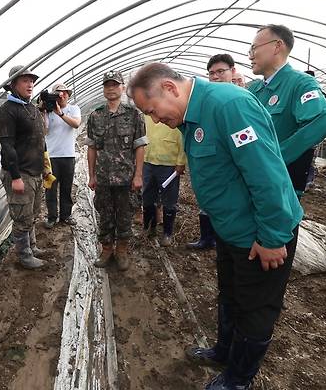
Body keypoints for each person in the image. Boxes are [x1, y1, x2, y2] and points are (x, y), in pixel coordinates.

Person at [128, 63, 303, 390]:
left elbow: (267, 175)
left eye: (152, 111)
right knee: (231, 294)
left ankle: (238, 378)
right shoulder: (192, 116)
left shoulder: (227, 105)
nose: (153, 120)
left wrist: (272, 237)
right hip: (231, 231)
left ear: (169, 88)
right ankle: (224, 351)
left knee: (255, 307)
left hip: (258, 236)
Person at [247, 24, 326, 196]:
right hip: (250, 179)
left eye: (254, 48)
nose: (250, 56)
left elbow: (323, 121)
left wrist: (277, 157)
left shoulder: (300, 84)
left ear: (277, 46)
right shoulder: (254, 89)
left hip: (278, 186)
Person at [86, 70, 148, 271]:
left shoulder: (134, 115)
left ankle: (121, 251)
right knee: (104, 214)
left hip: (126, 177)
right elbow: (92, 148)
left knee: (125, 215)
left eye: (115, 84)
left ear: (123, 87)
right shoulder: (96, 116)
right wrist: (92, 175)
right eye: (107, 85)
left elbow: (139, 146)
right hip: (104, 178)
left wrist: (138, 175)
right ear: (104, 89)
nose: (110, 88)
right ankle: (106, 249)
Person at [0, 65, 54, 269]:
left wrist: (46, 166)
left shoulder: (31, 109)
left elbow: (40, 140)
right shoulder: (7, 112)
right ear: (12, 85)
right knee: (22, 216)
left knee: (33, 213)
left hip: (35, 172)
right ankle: (24, 255)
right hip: (20, 173)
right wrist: (16, 177)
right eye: (25, 81)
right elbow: (8, 146)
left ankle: (33, 246)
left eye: (32, 81)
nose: (30, 84)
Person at [187, 53, 238, 251]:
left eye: (220, 72)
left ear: (232, 72)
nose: (215, 77)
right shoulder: (206, 103)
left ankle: (223, 239)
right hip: (212, 169)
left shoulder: (238, 101)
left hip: (232, 171)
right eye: (211, 73)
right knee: (207, 204)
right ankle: (207, 239)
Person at [141, 115, 186, 247]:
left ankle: (167, 233)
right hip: (148, 161)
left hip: (169, 164)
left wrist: (181, 161)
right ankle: (149, 227)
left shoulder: (174, 113)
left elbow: (183, 138)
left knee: (169, 200)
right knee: (148, 197)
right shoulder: (147, 114)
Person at [43, 83, 81, 228]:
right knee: (50, 189)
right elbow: (44, 129)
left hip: (68, 155)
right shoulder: (48, 111)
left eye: (64, 93)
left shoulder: (73, 109)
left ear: (68, 95)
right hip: (51, 156)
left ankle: (66, 215)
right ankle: (52, 217)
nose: (62, 95)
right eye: (58, 93)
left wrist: (61, 113)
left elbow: (76, 124)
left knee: (66, 187)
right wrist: (44, 111)